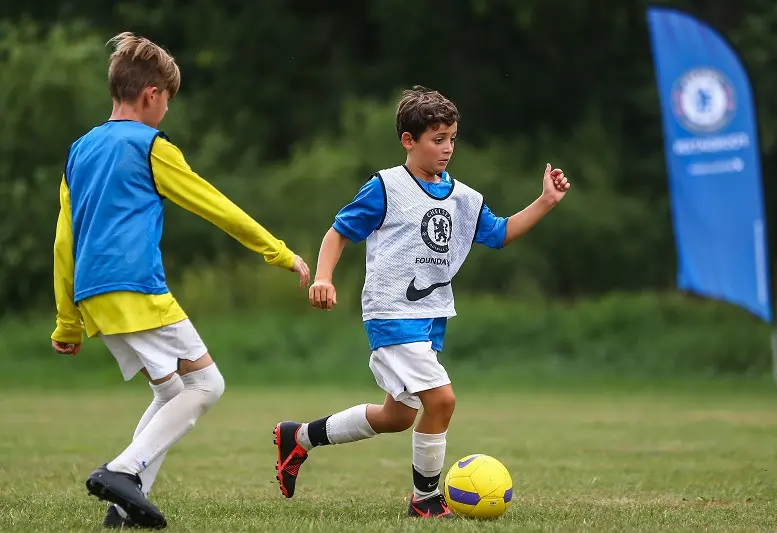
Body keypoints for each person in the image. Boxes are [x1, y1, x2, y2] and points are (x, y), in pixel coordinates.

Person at [50, 32, 310, 529]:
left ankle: (124, 505)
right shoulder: (151, 146)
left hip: (92, 295)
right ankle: (122, 471)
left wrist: (67, 319)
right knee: (208, 385)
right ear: (152, 94)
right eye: (167, 100)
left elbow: (64, 239)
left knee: (173, 393)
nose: (166, 111)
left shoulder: (78, 151)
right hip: (135, 287)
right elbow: (216, 206)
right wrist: (279, 253)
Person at [273, 85, 569, 518]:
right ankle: (426, 500)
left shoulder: (464, 197)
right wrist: (323, 276)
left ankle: (299, 438)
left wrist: (545, 201)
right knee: (442, 401)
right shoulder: (386, 187)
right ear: (409, 141)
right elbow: (338, 232)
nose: (447, 148)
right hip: (392, 314)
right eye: (437, 139)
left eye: (452, 138)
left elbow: (500, 233)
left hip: (431, 318)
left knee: (397, 417)